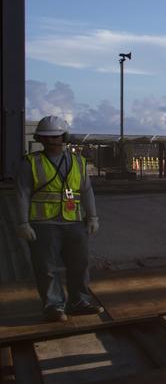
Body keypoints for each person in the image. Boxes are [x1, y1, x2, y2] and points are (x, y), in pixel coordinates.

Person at [15, 116, 102, 322]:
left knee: (79, 264)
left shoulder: (78, 162)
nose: (52, 141)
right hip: (43, 223)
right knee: (46, 267)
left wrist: (92, 217)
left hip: (74, 222)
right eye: (47, 137)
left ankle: (79, 301)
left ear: (64, 137)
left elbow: (87, 191)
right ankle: (53, 306)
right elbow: (22, 193)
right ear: (40, 138)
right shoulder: (31, 163)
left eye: (56, 136)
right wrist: (23, 222)